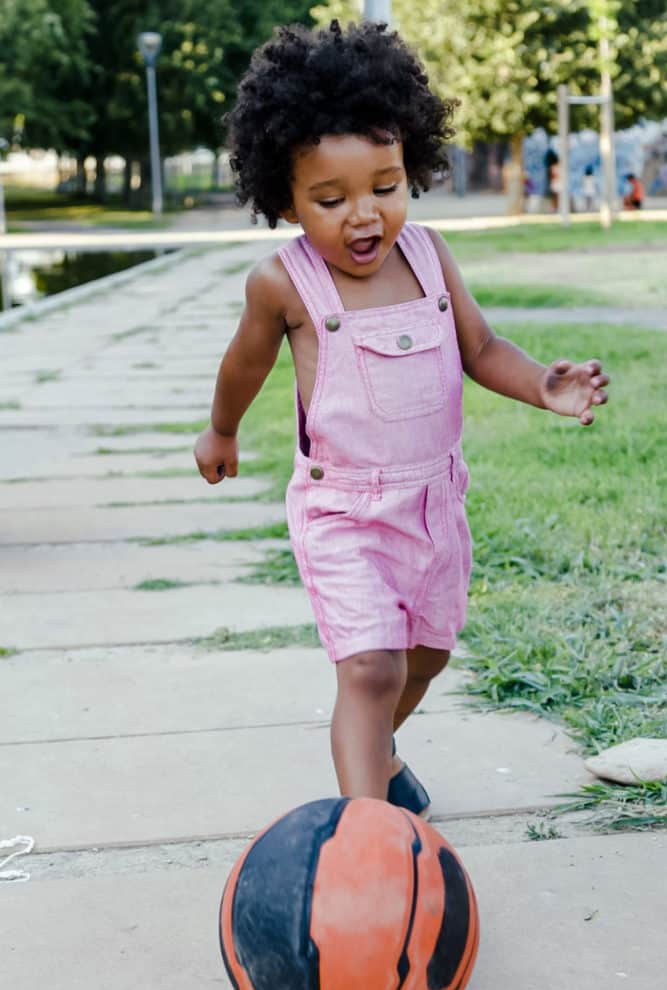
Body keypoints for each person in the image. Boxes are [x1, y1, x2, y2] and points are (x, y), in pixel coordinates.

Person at [194, 21, 609, 817]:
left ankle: (378, 755)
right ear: (283, 199)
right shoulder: (282, 283)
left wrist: (540, 385)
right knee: (371, 668)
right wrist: (221, 429)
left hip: (431, 506)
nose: (363, 216)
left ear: (410, 167)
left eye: (384, 186)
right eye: (330, 198)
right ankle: (367, 840)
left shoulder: (428, 256)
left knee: (424, 658)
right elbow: (244, 363)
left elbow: (480, 346)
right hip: (342, 510)